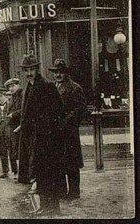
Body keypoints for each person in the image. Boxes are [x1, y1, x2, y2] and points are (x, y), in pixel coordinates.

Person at [18, 53, 66, 216]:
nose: (29, 73)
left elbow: (58, 112)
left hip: (46, 139)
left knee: (48, 173)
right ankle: (46, 205)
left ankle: (53, 207)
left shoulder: (46, 85)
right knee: (40, 173)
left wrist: (47, 132)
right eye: (26, 70)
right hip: (33, 138)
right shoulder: (29, 87)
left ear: (37, 69)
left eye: (31, 69)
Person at [49, 58, 87, 199]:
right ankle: (61, 191)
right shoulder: (52, 87)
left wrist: (66, 122)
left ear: (66, 73)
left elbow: (80, 109)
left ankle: (74, 192)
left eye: (61, 72)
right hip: (55, 132)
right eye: (56, 72)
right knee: (58, 162)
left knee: (72, 163)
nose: (58, 75)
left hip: (69, 132)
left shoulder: (75, 88)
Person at [5, 78, 24, 182]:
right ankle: (17, 172)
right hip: (12, 127)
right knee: (13, 150)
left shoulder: (22, 95)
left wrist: (13, 114)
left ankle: (22, 173)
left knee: (20, 150)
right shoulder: (12, 97)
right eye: (9, 87)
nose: (10, 88)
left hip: (19, 126)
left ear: (18, 85)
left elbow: (24, 110)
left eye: (12, 86)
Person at [0, 89, 14, 178]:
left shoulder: (10, 105)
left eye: (1, 96)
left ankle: (15, 171)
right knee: (2, 152)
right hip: (0, 131)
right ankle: (5, 171)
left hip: (9, 131)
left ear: (5, 96)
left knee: (12, 152)